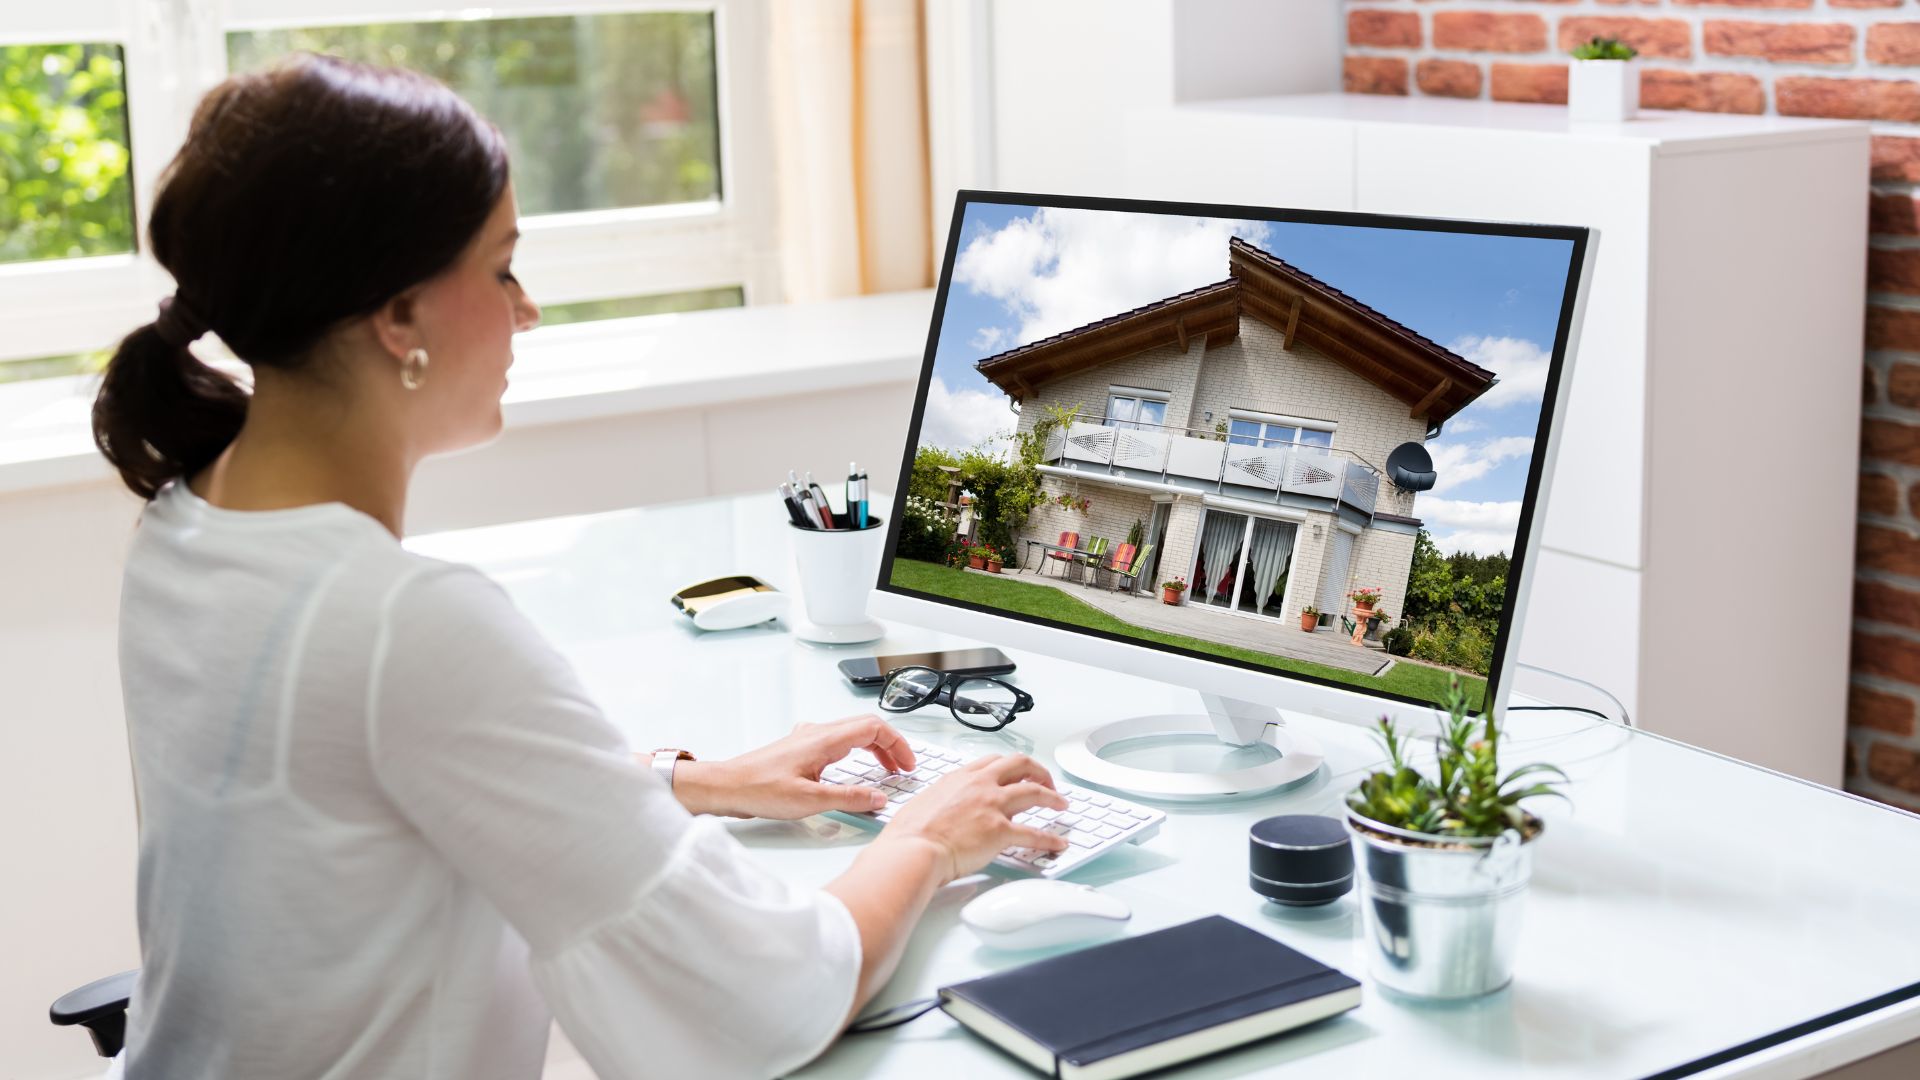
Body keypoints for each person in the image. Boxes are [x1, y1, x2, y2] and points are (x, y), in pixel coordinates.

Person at [91, 54, 1069, 1079]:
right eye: (501, 266)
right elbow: (758, 999)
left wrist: (681, 783)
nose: (527, 310)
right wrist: (924, 838)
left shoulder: (183, 526)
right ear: (399, 318)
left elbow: (352, 804)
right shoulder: (400, 624)